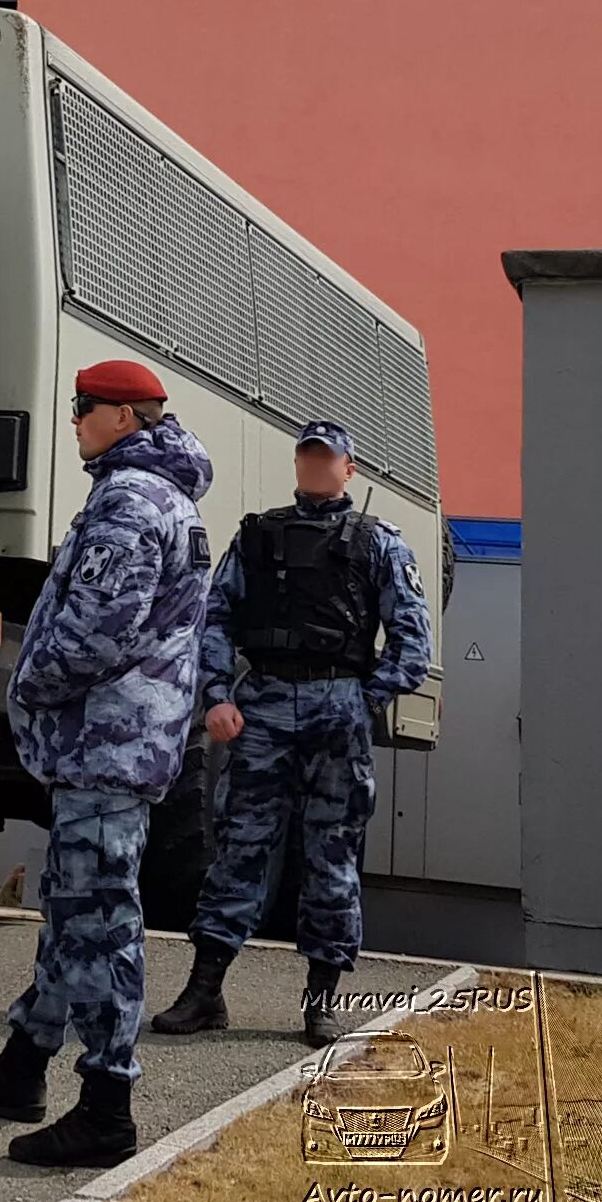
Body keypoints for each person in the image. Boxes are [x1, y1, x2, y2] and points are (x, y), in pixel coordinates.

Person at [0, 360, 213, 1169]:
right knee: (72, 909)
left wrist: (29, 687)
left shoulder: (130, 500)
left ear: (124, 418)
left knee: (99, 920)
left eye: (84, 407)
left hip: (106, 741)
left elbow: (96, 630)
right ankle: (24, 1065)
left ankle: (106, 1107)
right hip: (116, 740)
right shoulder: (164, 494)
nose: (74, 418)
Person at [150, 420, 432, 1048]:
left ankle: (320, 1002)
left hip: (338, 710)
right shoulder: (256, 536)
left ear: (348, 468)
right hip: (263, 707)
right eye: (305, 455)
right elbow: (214, 618)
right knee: (238, 847)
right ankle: (204, 991)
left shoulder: (379, 544)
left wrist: (365, 699)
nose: (313, 465)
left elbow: (414, 644)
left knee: (332, 855)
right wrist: (217, 695)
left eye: (326, 457)